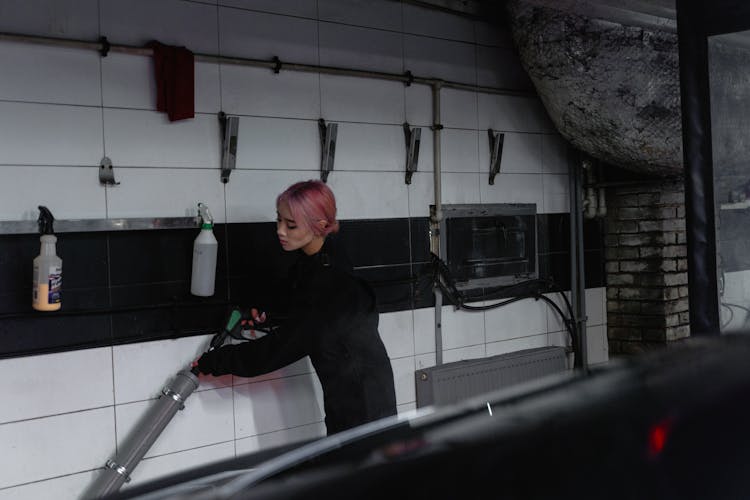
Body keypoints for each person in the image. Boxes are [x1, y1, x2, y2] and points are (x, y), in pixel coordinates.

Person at [195, 180, 397, 435]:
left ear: (321, 226)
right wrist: (268, 310)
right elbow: (299, 291)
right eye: (279, 220)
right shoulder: (325, 258)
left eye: (291, 225)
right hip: (363, 394)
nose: (281, 231)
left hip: (363, 410)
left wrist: (211, 362)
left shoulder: (330, 286)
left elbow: (275, 351)